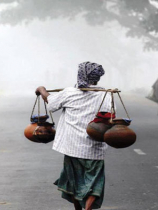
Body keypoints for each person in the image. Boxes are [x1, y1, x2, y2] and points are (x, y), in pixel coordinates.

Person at [35, 61, 112, 210]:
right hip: (94, 147)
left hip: (72, 147)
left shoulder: (69, 92)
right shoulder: (104, 95)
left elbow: (51, 103)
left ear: (80, 75)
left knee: (74, 181)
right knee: (94, 182)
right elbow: (109, 115)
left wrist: (41, 89)